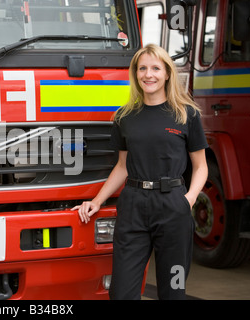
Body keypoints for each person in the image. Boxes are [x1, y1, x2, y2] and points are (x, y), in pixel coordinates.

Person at [72, 44, 208, 300]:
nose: (149, 74)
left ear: (167, 73)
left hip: (173, 206)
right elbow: (122, 167)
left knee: (174, 291)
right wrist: (97, 201)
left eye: (156, 68)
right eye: (142, 68)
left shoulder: (186, 114)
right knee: (122, 293)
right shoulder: (124, 117)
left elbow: (201, 167)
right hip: (133, 206)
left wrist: (188, 200)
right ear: (135, 74)